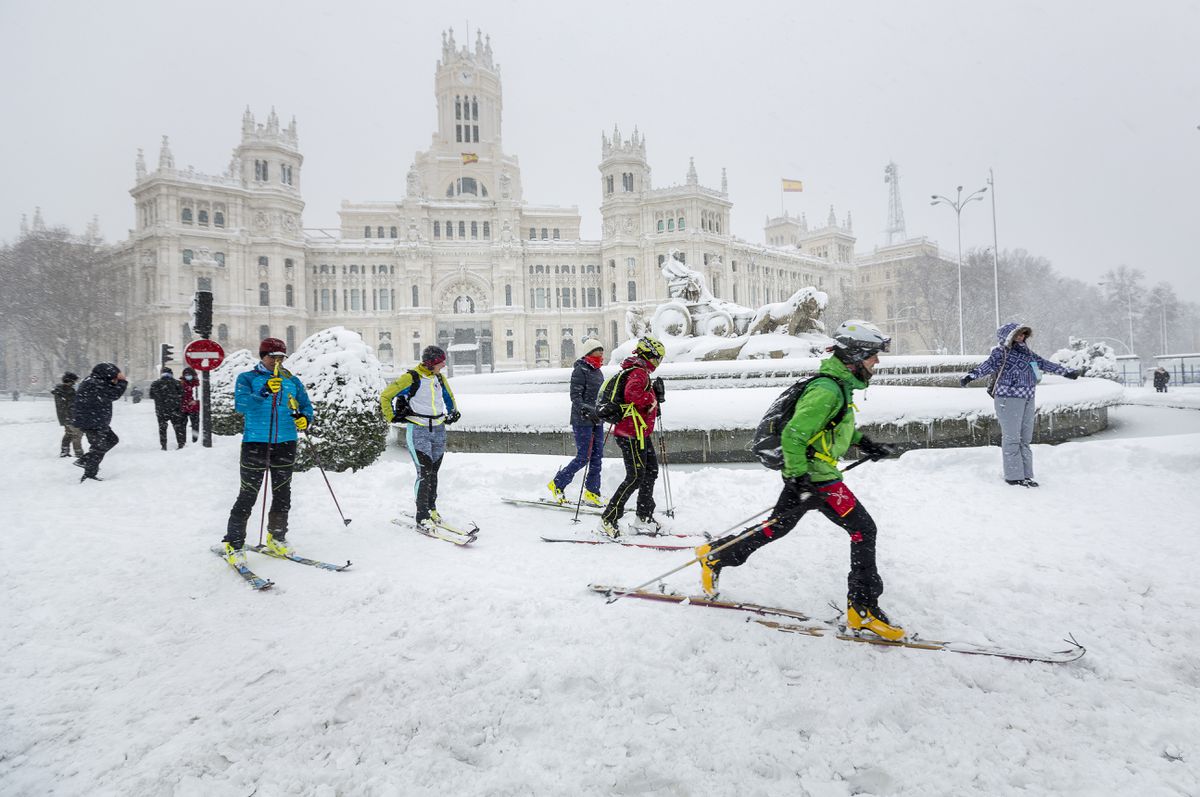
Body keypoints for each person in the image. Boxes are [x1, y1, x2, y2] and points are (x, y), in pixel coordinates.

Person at [695, 320, 905, 641]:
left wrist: (864, 443)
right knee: (864, 530)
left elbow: (831, 428)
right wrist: (799, 478)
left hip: (812, 475)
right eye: (873, 355)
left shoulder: (839, 384)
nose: (877, 362)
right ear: (856, 355)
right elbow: (794, 435)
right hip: (818, 479)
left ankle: (717, 555)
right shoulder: (827, 389)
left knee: (777, 526)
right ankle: (862, 609)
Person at [221, 337, 314, 566]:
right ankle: (234, 543)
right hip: (256, 442)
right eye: (272, 357)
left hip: (286, 441)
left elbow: (306, 405)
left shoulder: (291, 380)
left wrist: (305, 419)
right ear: (262, 356)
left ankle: (277, 537)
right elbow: (242, 406)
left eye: (281, 358)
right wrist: (262, 392)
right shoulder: (248, 378)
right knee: (248, 493)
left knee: (282, 493)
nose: (277, 362)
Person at [959, 323, 1080, 487]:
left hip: (1028, 397)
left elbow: (1044, 364)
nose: (1021, 337)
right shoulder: (1001, 353)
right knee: (1012, 437)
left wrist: (1066, 372)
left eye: (1023, 334)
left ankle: (1026, 475)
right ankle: (1013, 476)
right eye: (1017, 335)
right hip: (1008, 398)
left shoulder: (1028, 354)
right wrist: (970, 376)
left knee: (1025, 438)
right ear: (1008, 337)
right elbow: (986, 366)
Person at [380, 345, 460, 529]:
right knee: (424, 473)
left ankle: (431, 509)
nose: (443, 365)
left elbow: (448, 396)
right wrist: (391, 416)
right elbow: (386, 396)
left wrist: (453, 412)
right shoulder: (411, 377)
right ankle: (421, 515)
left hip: (439, 430)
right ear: (432, 362)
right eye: (441, 362)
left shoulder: (439, 377)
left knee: (433, 473)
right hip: (418, 431)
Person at [597, 336, 666, 538]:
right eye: (657, 358)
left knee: (650, 471)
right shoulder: (638, 372)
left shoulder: (639, 370)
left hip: (640, 432)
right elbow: (632, 394)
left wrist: (654, 400)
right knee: (635, 476)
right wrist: (652, 398)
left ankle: (643, 517)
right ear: (649, 356)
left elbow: (639, 399)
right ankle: (608, 519)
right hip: (631, 433)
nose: (658, 362)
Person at [547, 337, 606, 507]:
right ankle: (557, 484)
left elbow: (600, 396)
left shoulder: (598, 371)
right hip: (582, 421)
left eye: (602, 349)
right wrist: (588, 410)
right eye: (598, 349)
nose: (602, 352)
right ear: (589, 352)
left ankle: (592, 492)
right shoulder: (581, 370)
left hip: (597, 420)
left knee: (597, 458)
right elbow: (575, 397)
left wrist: (603, 410)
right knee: (583, 457)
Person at [72, 363, 128, 482]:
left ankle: (88, 465)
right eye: (113, 377)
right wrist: (122, 381)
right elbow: (114, 394)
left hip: (92, 420)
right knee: (100, 446)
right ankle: (88, 471)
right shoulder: (95, 383)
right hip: (92, 422)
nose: (114, 380)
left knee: (104, 443)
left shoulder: (92, 381)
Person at [149, 367, 186, 450]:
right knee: (177, 427)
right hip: (175, 409)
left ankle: (163, 445)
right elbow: (182, 395)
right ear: (171, 374)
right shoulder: (177, 383)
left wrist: (160, 398)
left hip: (161, 409)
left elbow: (151, 396)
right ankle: (180, 444)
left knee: (162, 428)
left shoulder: (155, 383)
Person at [51, 372, 85, 458]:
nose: (75, 384)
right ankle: (79, 454)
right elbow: (71, 405)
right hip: (70, 416)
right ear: (70, 381)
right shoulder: (67, 391)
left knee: (69, 433)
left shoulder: (60, 390)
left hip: (64, 416)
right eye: (74, 382)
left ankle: (64, 451)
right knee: (77, 434)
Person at [181, 366, 201, 441]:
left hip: (194, 408)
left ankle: (195, 440)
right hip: (183, 408)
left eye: (189, 375)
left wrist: (196, 401)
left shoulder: (197, 384)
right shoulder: (181, 384)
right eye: (186, 375)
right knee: (182, 426)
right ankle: (182, 441)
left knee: (195, 425)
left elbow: (200, 395)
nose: (187, 376)